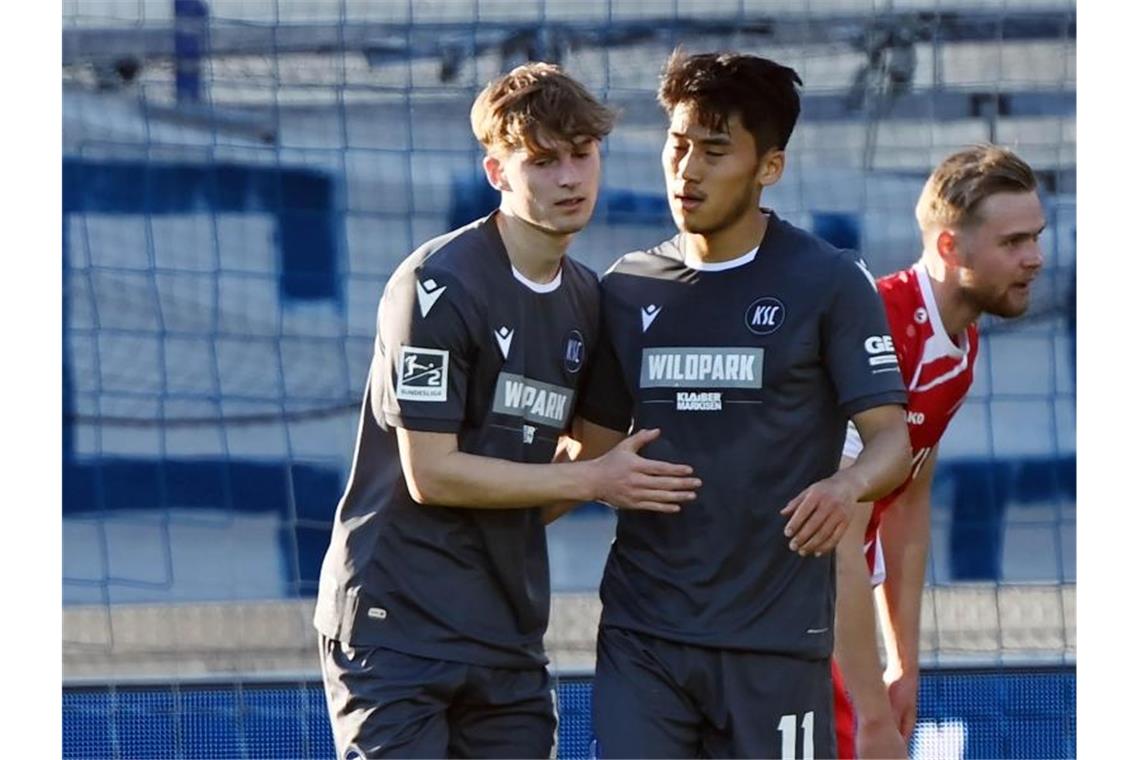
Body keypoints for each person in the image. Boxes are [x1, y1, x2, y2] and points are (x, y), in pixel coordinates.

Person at [313, 62, 700, 760]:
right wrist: (587, 481)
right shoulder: (436, 286)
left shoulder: (591, 299)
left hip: (505, 631)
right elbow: (432, 474)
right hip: (394, 624)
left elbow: (586, 462)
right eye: (543, 161)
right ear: (498, 172)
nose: (569, 179)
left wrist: (594, 475)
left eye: (581, 155)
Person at [573, 50, 912, 758]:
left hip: (775, 641)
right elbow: (587, 454)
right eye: (678, 143)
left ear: (769, 168)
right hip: (645, 636)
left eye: (715, 150)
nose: (687, 169)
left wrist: (847, 485)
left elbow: (891, 442)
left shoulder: (830, 282)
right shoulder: (625, 288)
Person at [832, 144, 1046, 759]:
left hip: (826, 617)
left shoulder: (961, 340)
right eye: (1013, 242)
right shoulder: (877, 326)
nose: (1035, 258)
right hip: (782, 613)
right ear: (950, 249)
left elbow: (904, 504)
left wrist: (904, 665)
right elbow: (836, 527)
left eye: (1035, 236)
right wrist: (871, 715)